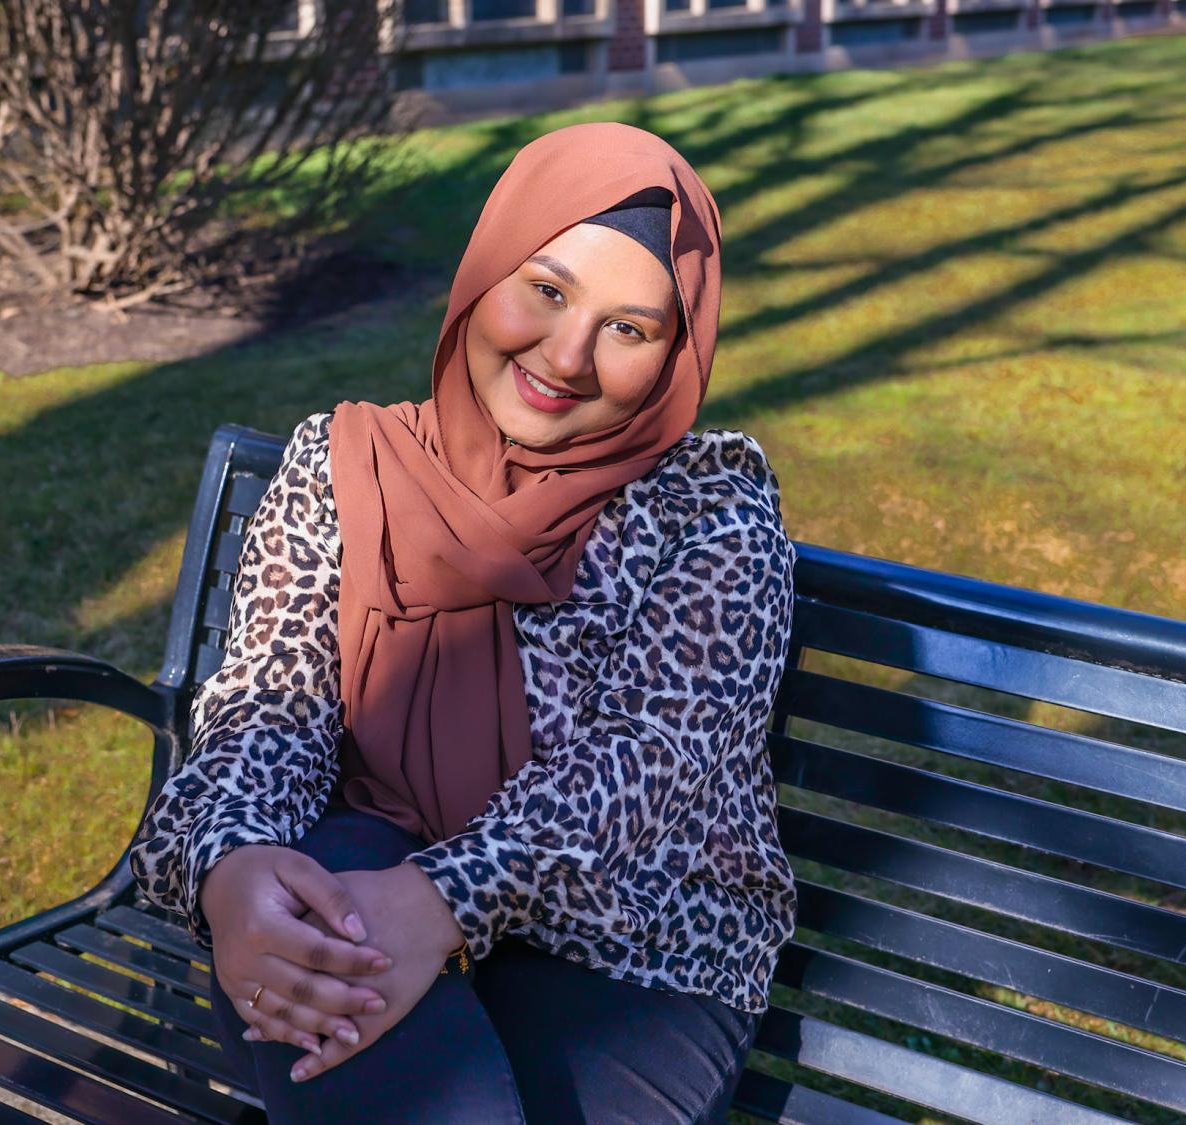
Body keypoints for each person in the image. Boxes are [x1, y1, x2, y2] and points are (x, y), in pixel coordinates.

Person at [129, 120, 800, 1123]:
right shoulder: (345, 467)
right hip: (366, 867)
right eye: (547, 288)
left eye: (630, 327)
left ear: (675, 351)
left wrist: (446, 898)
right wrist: (229, 872)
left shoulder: (712, 507)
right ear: (487, 270)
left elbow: (650, 761)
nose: (567, 355)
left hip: (635, 941)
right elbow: (270, 701)